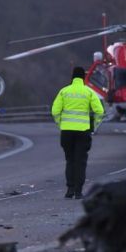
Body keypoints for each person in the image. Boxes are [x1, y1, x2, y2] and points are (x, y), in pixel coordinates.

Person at [51, 66, 103, 199]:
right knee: (80, 161)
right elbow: (99, 111)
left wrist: (60, 124)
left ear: (72, 77)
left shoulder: (64, 91)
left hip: (67, 131)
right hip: (83, 132)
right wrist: (94, 126)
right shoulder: (88, 92)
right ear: (84, 77)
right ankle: (79, 192)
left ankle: (70, 190)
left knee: (70, 160)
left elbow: (55, 111)